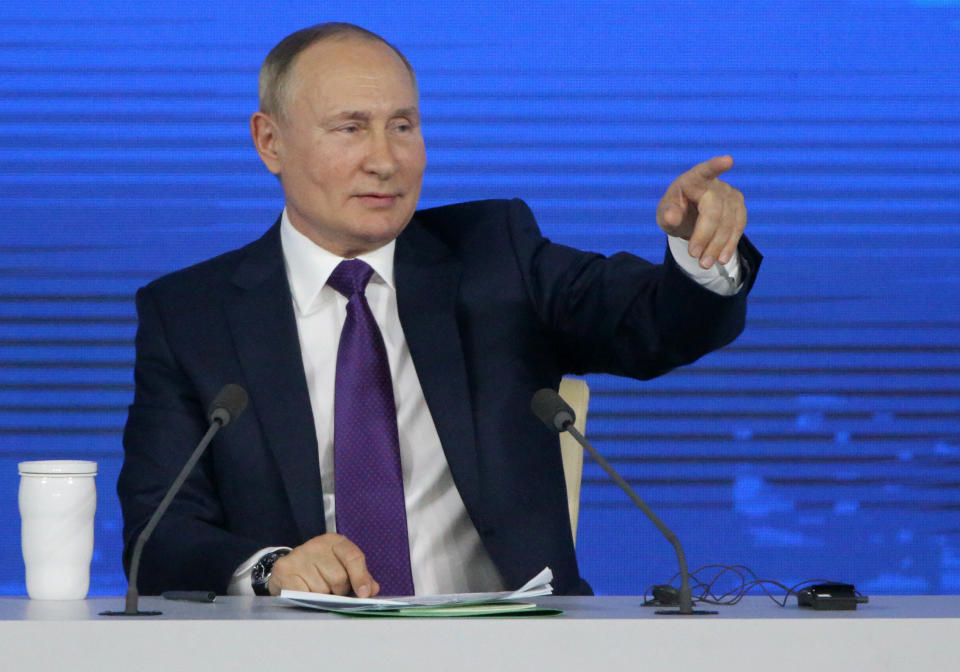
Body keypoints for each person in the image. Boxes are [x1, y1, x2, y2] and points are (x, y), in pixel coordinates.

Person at [118, 22, 761, 598]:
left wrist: (700, 250)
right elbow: (160, 532)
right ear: (270, 142)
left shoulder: (495, 255)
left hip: (510, 650)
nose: (385, 159)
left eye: (403, 125)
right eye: (350, 127)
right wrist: (270, 568)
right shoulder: (191, 315)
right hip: (299, 654)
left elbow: (655, 326)